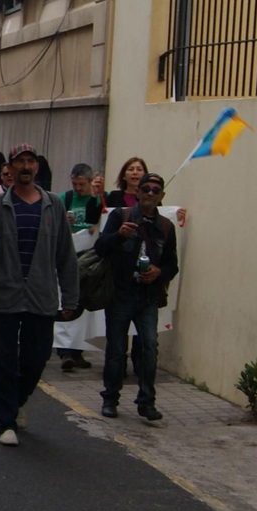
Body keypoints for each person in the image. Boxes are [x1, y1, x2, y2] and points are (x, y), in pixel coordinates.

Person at [0, 143, 78, 446]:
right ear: (11, 169)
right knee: (3, 359)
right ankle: (5, 422)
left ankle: (16, 401)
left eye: (30, 161)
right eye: (20, 162)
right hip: (6, 294)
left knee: (37, 357)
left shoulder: (53, 204)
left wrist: (70, 298)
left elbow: (65, 255)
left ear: (37, 167)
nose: (26, 167)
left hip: (41, 296)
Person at [93, 173, 180, 420]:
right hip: (120, 294)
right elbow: (100, 248)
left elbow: (173, 265)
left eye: (156, 190)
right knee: (116, 350)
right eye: (146, 189)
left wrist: (159, 272)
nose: (151, 194)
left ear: (162, 195)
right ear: (138, 193)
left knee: (150, 346)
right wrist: (118, 235)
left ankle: (147, 402)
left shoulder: (165, 227)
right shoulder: (121, 217)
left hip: (148, 297)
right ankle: (110, 398)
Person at [56, 162, 105, 372]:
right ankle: (65, 351)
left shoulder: (100, 197)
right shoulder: (64, 199)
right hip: (69, 258)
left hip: (90, 259)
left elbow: (106, 218)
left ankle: (77, 351)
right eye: (74, 184)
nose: (77, 188)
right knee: (68, 302)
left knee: (84, 304)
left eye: (81, 184)